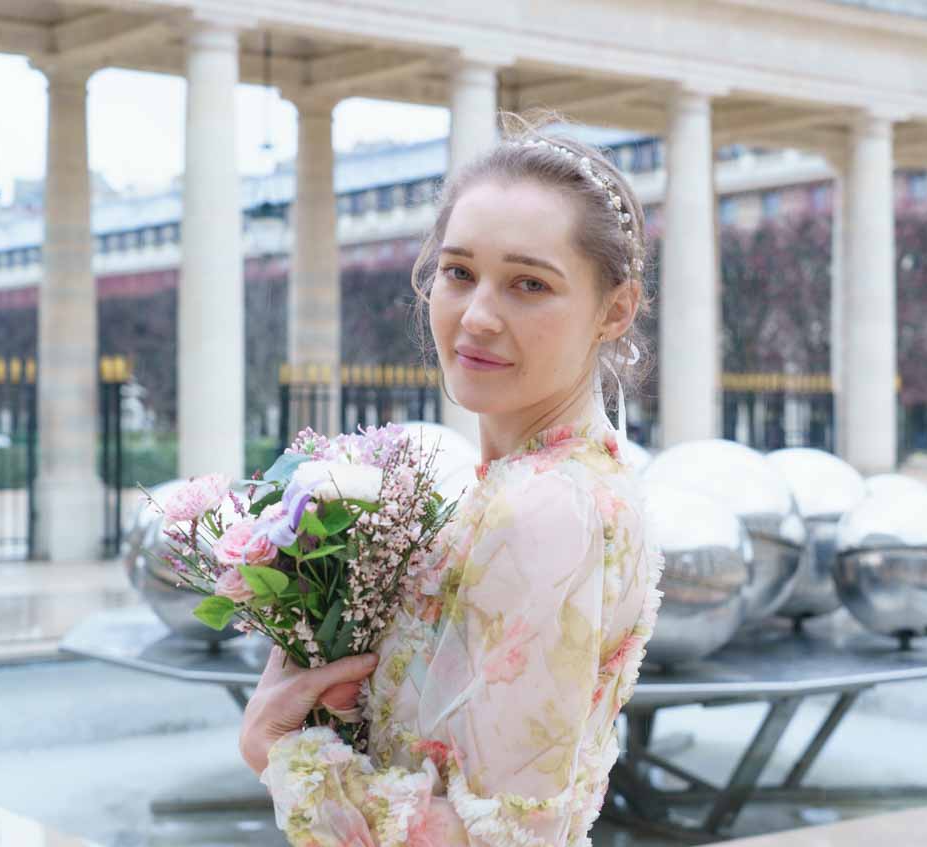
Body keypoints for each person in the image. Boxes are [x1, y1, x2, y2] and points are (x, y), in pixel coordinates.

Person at [238, 111, 666, 846]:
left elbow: (485, 836)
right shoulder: (555, 480)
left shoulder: (541, 506)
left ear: (615, 309)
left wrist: (276, 748)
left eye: (529, 284)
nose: (478, 316)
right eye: (459, 273)